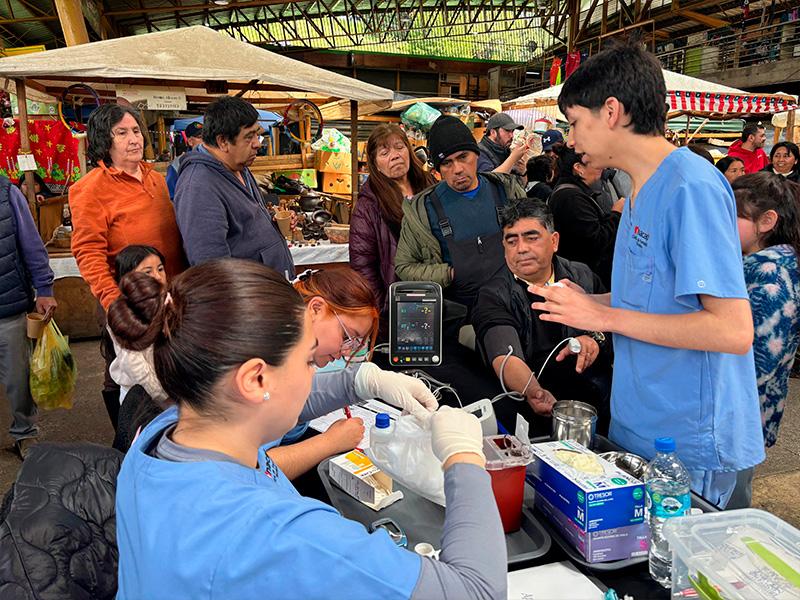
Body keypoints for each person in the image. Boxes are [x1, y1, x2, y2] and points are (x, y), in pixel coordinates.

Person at [111, 259, 506, 599]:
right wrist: (464, 458)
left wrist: (360, 380)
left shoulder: (162, 437)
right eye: (306, 362)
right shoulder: (285, 536)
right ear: (256, 380)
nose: (315, 371)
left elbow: (278, 407)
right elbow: (477, 590)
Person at [530, 41, 764, 508]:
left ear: (612, 111)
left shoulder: (691, 188)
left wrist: (606, 319)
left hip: (690, 441)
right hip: (641, 422)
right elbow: (653, 301)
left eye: (576, 123)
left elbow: (732, 330)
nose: (571, 140)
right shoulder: (639, 192)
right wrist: (590, 302)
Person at [472, 199, 610, 427]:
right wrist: (533, 391)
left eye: (531, 237)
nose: (522, 248)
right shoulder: (493, 293)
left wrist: (595, 341)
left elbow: (613, 329)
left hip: (594, 396)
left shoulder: (582, 276)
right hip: (530, 403)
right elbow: (504, 355)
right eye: (512, 240)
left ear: (554, 241)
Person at [395, 115, 526, 311]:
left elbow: (537, 240)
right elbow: (404, 266)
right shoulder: (423, 210)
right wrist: (449, 274)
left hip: (514, 304)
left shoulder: (506, 191)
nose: (457, 169)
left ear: (477, 155)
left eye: (463, 157)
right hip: (461, 314)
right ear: (437, 169)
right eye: (447, 163)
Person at [726, 173, 800, 508]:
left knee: (729, 498)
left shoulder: (769, 273)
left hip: (739, 411)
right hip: (745, 410)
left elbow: (760, 361)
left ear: (767, 221)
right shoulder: (771, 263)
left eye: (734, 215)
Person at [69, 103, 186, 311]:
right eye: (121, 133)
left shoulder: (156, 179)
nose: (134, 139)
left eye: (136, 131)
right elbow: (89, 253)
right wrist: (115, 303)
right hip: (132, 301)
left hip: (173, 294)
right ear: (105, 141)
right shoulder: (89, 189)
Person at [174, 96, 294, 278]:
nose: (257, 144)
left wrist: (271, 221)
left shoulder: (238, 165)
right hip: (249, 299)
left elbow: (242, 221)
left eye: (257, 134)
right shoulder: (199, 187)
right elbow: (212, 268)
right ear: (223, 142)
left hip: (268, 290)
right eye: (249, 137)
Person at [349, 124, 435, 337]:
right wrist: (385, 309)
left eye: (399, 147)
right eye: (385, 153)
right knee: (414, 361)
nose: (395, 156)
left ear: (409, 150)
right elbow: (362, 265)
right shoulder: (369, 205)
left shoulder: (430, 186)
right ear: (375, 164)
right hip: (401, 301)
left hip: (440, 292)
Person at [0, 176, 56, 459]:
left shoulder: (7, 193)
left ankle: (24, 432)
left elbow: (31, 244)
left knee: (18, 378)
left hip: (7, 306)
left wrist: (44, 288)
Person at [548, 145, 623, 288]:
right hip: (585, 281)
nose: (602, 166)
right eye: (595, 162)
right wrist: (616, 214)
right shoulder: (571, 198)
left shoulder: (571, 194)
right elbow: (596, 241)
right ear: (579, 168)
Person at [105, 245, 169, 409]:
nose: (157, 276)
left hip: (174, 394)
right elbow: (136, 369)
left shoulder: (173, 302)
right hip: (142, 398)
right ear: (128, 278)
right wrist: (167, 400)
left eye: (160, 269)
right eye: (147, 272)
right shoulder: (122, 315)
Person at [165, 121, 203, 198]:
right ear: (190, 141)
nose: (205, 140)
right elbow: (170, 194)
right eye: (200, 137)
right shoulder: (178, 163)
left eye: (207, 136)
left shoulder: (216, 159)